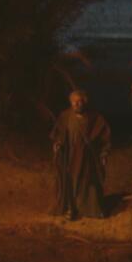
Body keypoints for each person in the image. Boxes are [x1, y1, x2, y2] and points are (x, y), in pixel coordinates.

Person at [50, 90, 111, 220]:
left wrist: (104, 153)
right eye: (74, 102)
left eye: (79, 101)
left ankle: (89, 210)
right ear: (70, 102)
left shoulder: (95, 118)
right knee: (70, 181)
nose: (76, 104)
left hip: (87, 158)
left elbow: (104, 137)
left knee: (88, 183)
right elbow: (59, 133)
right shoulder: (65, 116)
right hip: (70, 156)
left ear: (84, 102)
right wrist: (58, 143)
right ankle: (71, 209)